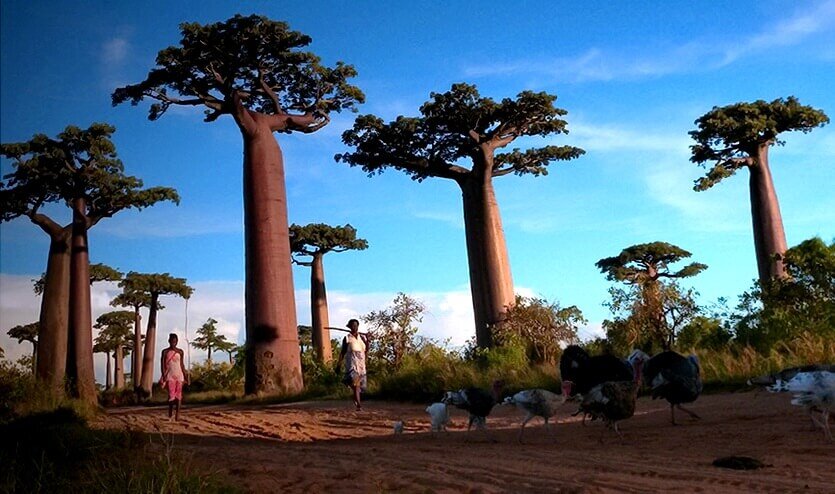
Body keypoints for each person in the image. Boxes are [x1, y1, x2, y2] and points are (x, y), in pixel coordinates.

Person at [337, 319, 368, 410]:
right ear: (350, 327)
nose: (355, 327)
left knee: (362, 387)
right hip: (352, 364)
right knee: (356, 385)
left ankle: (352, 389)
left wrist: (368, 340)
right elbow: (342, 352)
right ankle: (359, 405)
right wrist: (339, 365)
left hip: (361, 365)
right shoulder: (347, 338)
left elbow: (366, 350)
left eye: (356, 325)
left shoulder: (361, 338)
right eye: (353, 325)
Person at [160, 333, 189, 421]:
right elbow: (162, 364)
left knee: (179, 395)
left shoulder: (180, 351)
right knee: (171, 395)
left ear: (177, 342)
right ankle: (170, 412)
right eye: (172, 341)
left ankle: (177, 414)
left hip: (179, 375)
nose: (174, 343)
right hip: (170, 376)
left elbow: (182, 365)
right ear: (169, 341)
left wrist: (186, 376)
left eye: (175, 341)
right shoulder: (165, 351)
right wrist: (164, 375)